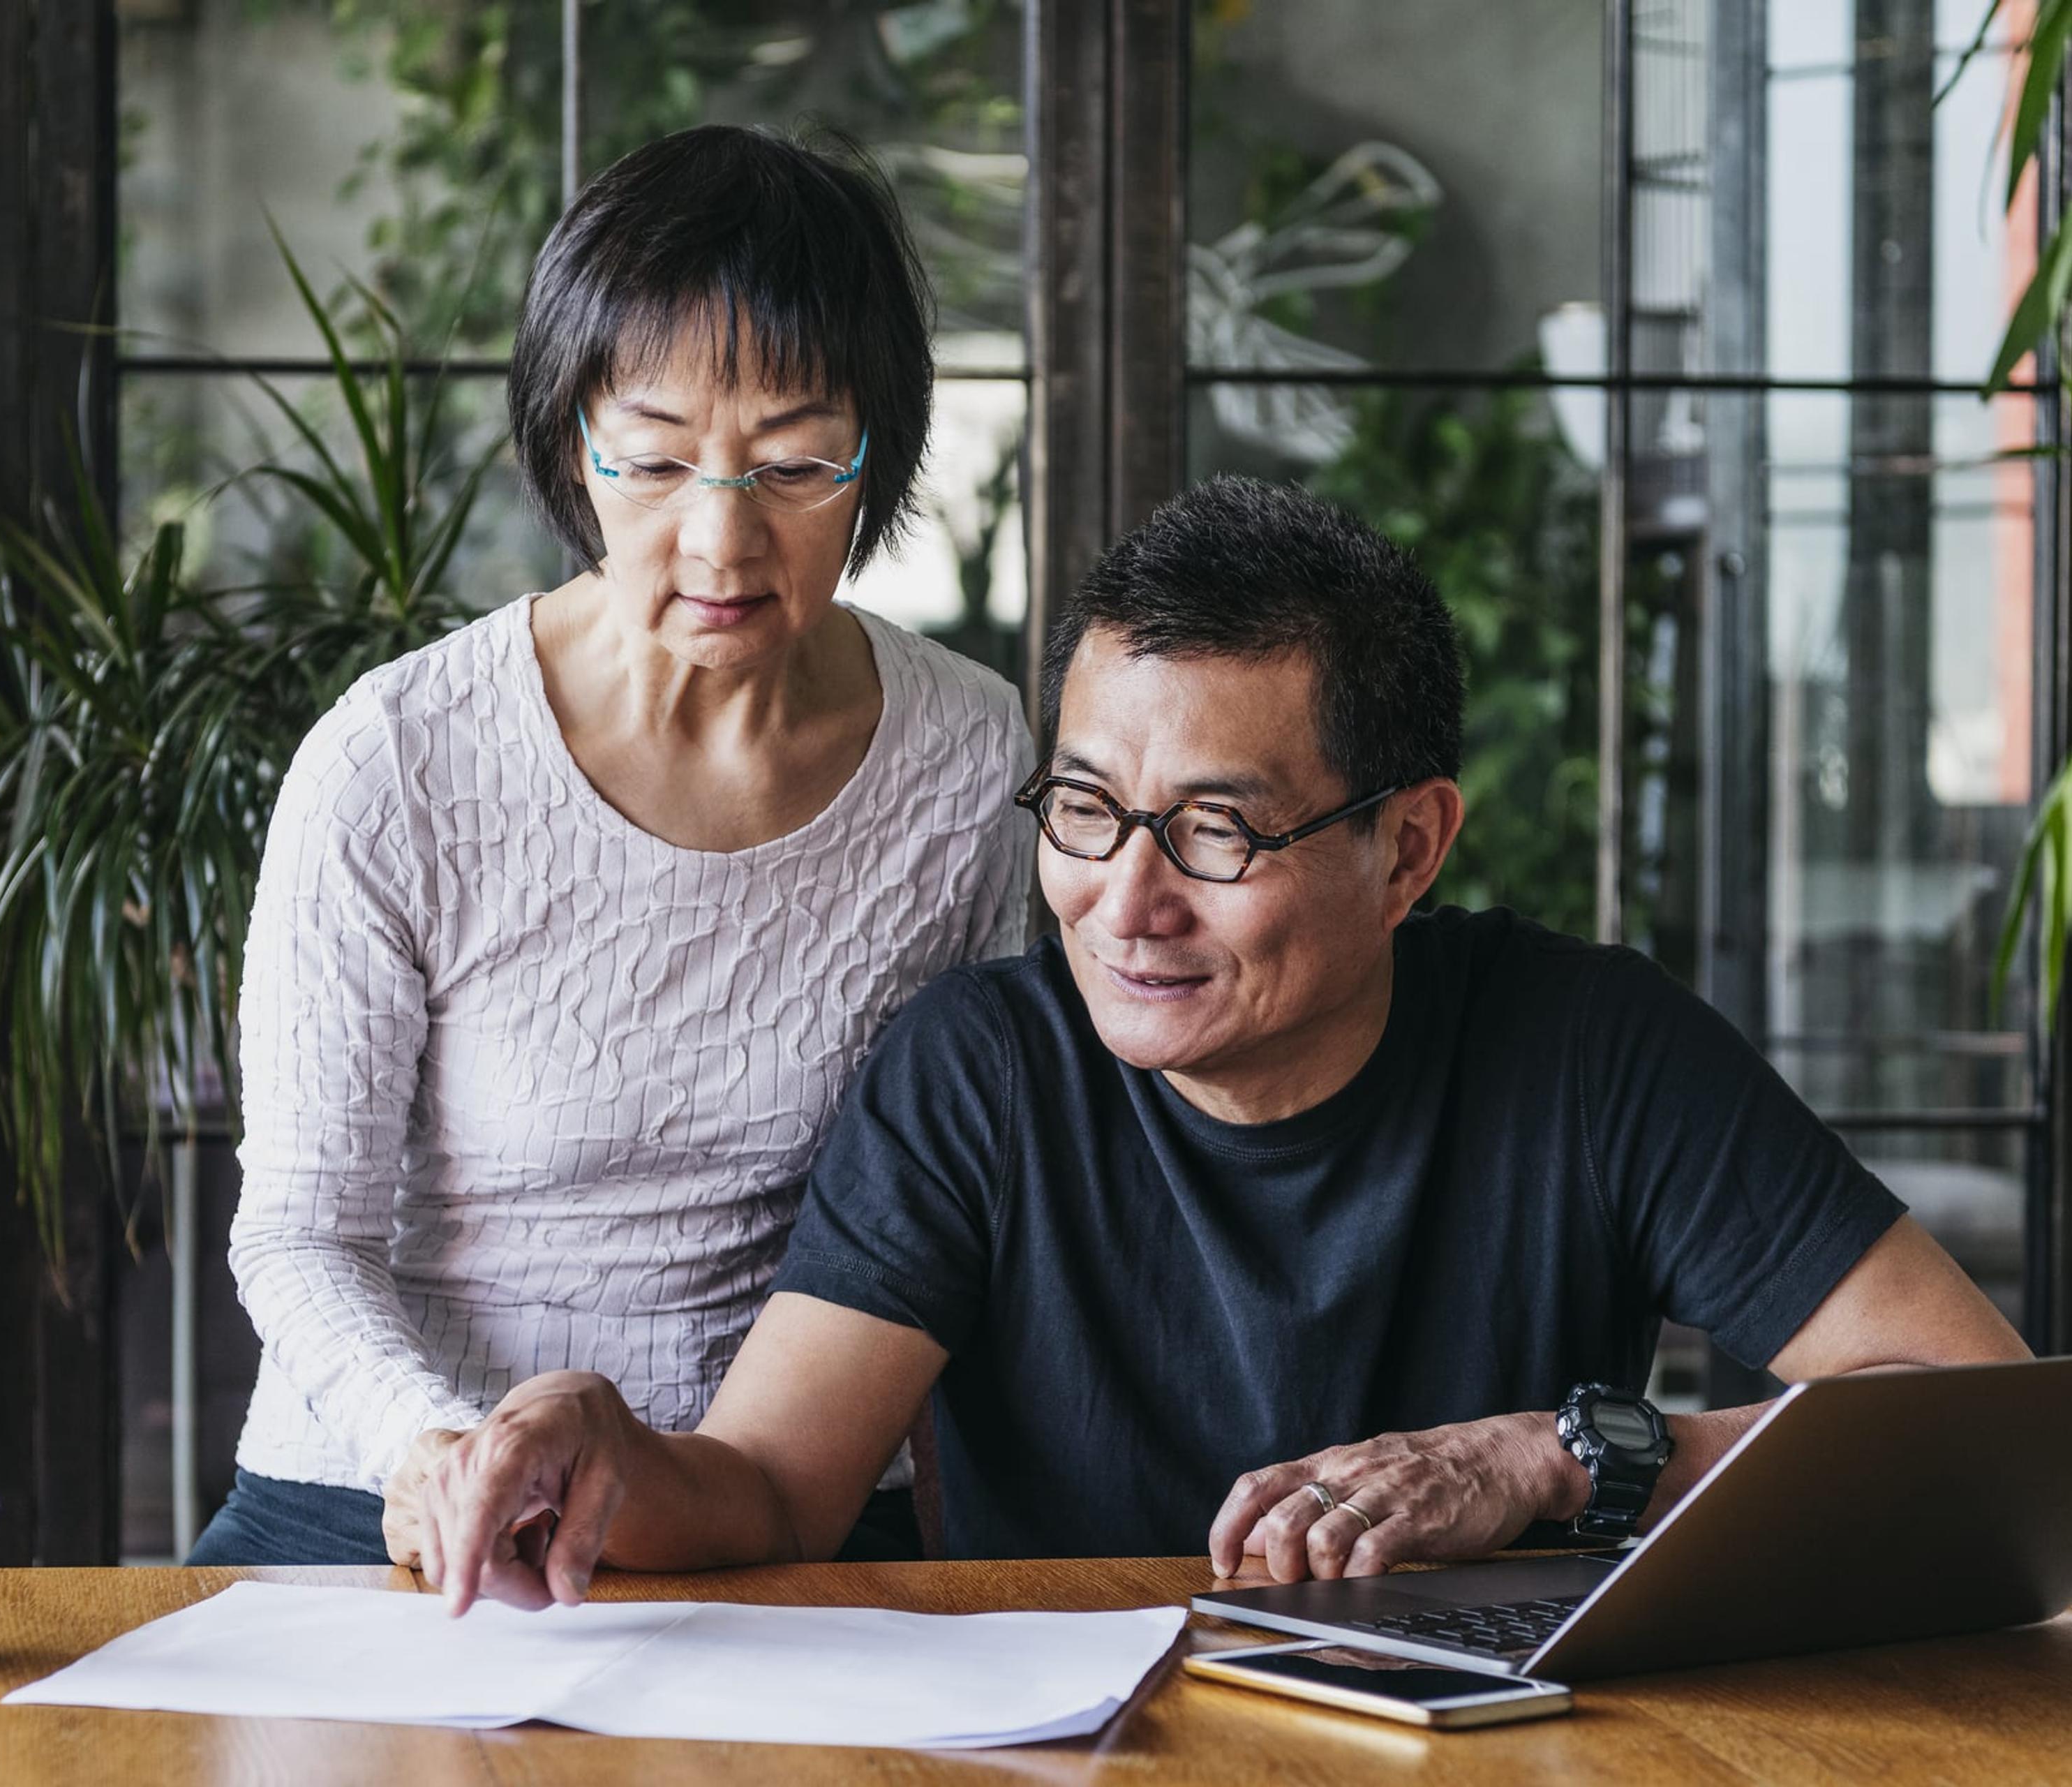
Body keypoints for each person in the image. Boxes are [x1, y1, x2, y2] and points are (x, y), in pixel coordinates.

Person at [392, 475, 2032, 1610]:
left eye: (1218, 833)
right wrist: (598, 1445)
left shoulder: (1588, 1049)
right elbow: (767, 1489)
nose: (1125, 900)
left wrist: (1549, 1454)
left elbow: (1992, 1430)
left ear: (1407, 849)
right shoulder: (985, 1075)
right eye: (1088, 808)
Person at [188, 124, 1034, 1566]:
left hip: (760, 1517)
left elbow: (978, 1182)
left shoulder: (967, 754)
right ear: (572, 445)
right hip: (384, 1499)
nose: (721, 542)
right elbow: (299, 1234)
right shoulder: (398, 760)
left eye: (796, 462)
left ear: (879, 448)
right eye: (652, 461)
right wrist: (445, 1453)